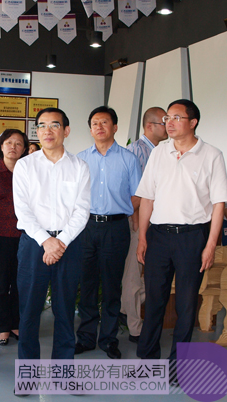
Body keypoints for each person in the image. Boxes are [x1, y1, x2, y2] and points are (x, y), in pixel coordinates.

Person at [136, 99, 227, 361]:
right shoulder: (159, 153)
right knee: (154, 300)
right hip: (158, 236)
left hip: (192, 238)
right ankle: (147, 358)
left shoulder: (211, 155)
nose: (170, 123)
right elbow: (147, 198)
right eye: (167, 118)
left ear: (193, 122)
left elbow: (218, 204)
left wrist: (210, 245)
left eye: (177, 117)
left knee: (186, 305)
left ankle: (179, 364)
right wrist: (142, 237)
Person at [13, 108, 90, 360]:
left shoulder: (79, 166)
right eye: (42, 125)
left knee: (65, 310)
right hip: (34, 243)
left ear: (66, 131)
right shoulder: (25, 165)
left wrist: (60, 242)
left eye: (54, 125)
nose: (47, 131)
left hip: (68, 245)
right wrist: (46, 241)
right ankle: (29, 371)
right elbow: (22, 210)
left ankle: (63, 370)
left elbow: (82, 210)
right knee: (29, 310)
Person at [76, 106, 141, 359]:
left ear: (115, 127)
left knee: (112, 286)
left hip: (116, 227)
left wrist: (119, 208)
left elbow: (137, 195)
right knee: (87, 284)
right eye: (95, 123)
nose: (99, 127)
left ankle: (109, 339)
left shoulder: (128, 159)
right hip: (86, 227)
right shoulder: (80, 159)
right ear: (90, 129)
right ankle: (86, 338)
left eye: (104, 122)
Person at [121, 107, 167, 343]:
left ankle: (127, 312)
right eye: (163, 121)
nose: (168, 125)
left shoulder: (161, 151)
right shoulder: (137, 151)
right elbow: (135, 193)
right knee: (133, 276)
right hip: (139, 223)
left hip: (156, 223)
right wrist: (138, 223)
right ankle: (135, 327)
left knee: (147, 276)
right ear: (150, 126)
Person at [0, 129, 28, 346]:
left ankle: (15, 323)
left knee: (20, 283)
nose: (13, 147)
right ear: (1, 146)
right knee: (2, 283)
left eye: (18, 143)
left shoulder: (29, 171)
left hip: (26, 235)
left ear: (24, 149)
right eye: (9, 142)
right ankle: (3, 327)